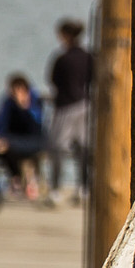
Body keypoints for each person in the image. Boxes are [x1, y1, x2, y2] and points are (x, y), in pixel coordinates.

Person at [47, 20, 95, 205]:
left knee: (57, 148)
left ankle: (56, 189)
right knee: (83, 149)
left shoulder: (62, 58)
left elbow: (53, 81)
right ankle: (83, 187)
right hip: (84, 105)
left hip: (65, 107)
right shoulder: (88, 57)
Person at [0, 73, 48, 202]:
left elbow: (37, 126)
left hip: (34, 141)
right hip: (13, 140)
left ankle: (29, 181)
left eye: (21, 89)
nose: (18, 93)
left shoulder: (35, 101)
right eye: (15, 90)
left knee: (10, 146)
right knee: (1, 147)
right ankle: (16, 179)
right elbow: (1, 124)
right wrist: (0, 137)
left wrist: (25, 108)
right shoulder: (8, 102)